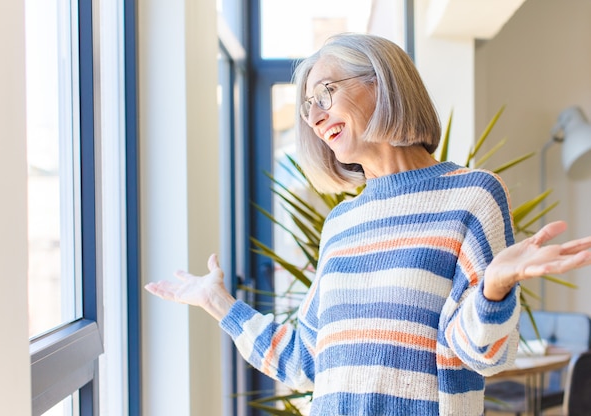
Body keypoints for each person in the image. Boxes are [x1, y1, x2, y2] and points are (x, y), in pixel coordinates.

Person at [145, 33, 591, 415]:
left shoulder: (471, 195)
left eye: (325, 94)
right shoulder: (341, 223)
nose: (315, 117)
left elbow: (485, 356)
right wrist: (218, 302)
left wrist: (493, 287)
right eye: (307, 109)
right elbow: (306, 359)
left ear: (381, 82)